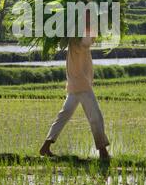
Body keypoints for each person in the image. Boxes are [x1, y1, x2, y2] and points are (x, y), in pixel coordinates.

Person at [40, 11, 110, 160]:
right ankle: (103, 151)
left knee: (64, 115)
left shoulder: (74, 37)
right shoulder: (79, 40)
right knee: (96, 116)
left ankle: (46, 146)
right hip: (82, 84)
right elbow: (88, 40)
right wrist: (91, 18)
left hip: (74, 84)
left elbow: (90, 38)